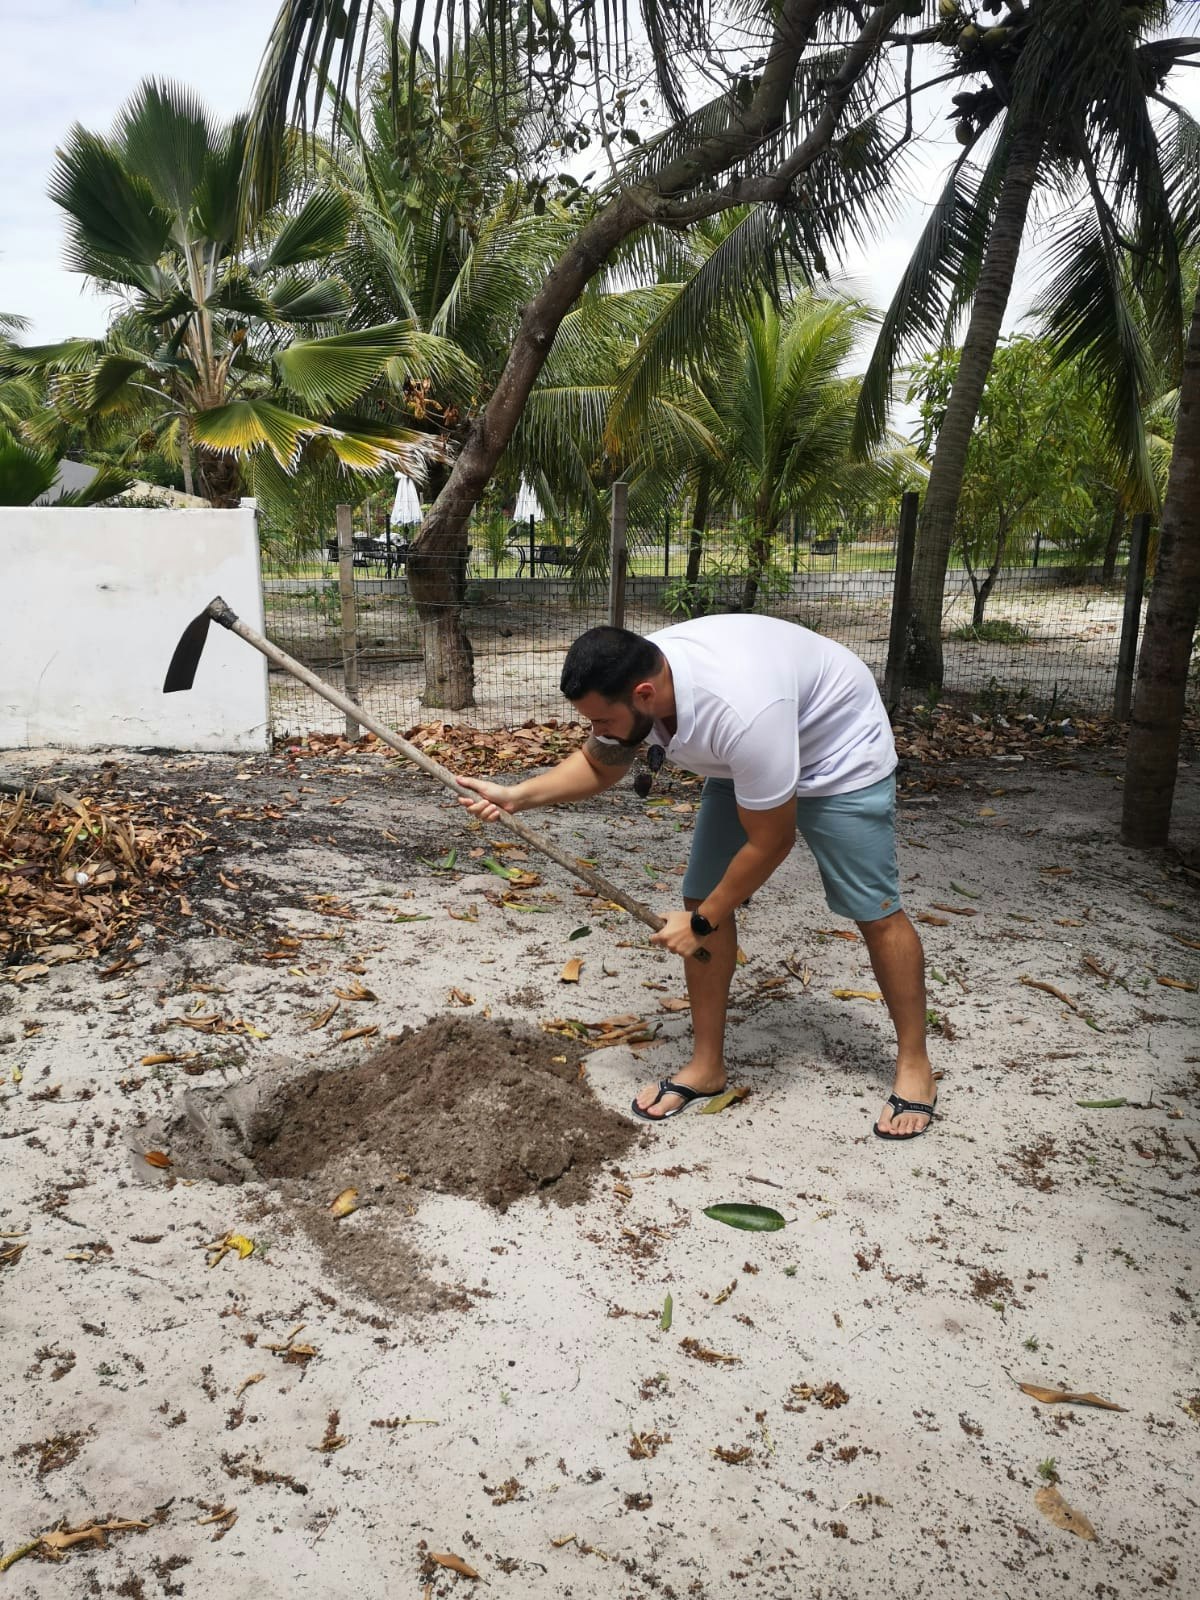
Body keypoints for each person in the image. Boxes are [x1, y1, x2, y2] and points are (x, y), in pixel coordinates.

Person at [455, 617, 936, 1140]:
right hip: (749, 759)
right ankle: (707, 1067)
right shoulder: (643, 675)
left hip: (837, 754)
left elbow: (773, 841)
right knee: (702, 893)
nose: (597, 730)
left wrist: (702, 923)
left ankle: (915, 1063)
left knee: (873, 909)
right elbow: (603, 762)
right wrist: (518, 796)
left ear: (645, 693)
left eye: (602, 719)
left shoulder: (741, 711)